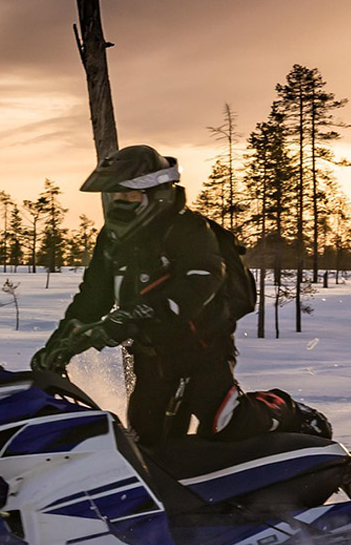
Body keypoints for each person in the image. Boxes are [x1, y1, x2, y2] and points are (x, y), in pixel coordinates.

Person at [30, 145, 332, 448]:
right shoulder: (111, 240)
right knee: (146, 443)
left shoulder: (188, 229)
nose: (120, 203)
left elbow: (202, 281)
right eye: (114, 196)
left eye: (130, 196)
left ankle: (289, 410)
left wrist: (132, 316)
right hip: (150, 356)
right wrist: (59, 345)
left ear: (157, 193)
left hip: (202, 349)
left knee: (223, 424)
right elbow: (91, 298)